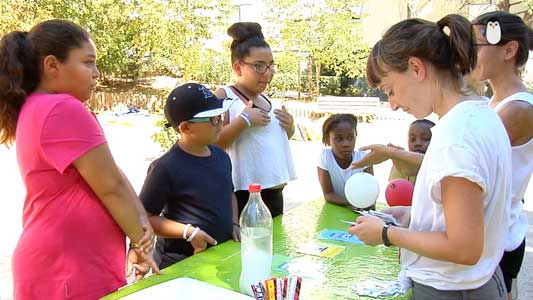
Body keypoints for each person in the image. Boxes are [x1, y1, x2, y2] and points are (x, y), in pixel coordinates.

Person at [348, 14, 511, 299]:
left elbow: (464, 247)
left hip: (452, 290)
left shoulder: (455, 139)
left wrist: (387, 234)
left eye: (391, 90)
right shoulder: (480, 114)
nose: (394, 104)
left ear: (416, 68)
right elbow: (470, 215)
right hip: (476, 282)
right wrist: (414, 217)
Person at [0, 20, 159, 299]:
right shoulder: (61, 108)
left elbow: (115, 176)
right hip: (67, 267)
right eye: (88, 63)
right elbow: (111, 186)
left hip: (67, 262)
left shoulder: (45, 107)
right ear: (52, 65)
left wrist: (141, 232)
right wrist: (142, 242)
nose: (96, 73)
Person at [140, 83, 241, 269]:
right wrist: (188, 232)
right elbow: (144, 218)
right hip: (180, 261)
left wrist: (234, 223)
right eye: (213, 119)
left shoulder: (221, 156)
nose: (220, 123)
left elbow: (229, 192)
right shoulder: (164, 167)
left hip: (219, 256)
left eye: (220, 116)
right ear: (185, 128)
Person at [472, 11, 533, 299]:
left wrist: (391, 154)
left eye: (476, 46)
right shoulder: (491, 103)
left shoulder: (517, 109)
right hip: (489, 234)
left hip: (499, 240)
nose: (469, 56)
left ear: (509, 50)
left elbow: (464, 166)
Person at [213, 22, 297, 217]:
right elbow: (212, 144)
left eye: (270, 66)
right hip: (244, 196)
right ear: (238, 67)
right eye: (258, 66)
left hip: (275, 191)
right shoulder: (225, 96)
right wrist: (243, 120)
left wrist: (290, 127)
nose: (267, 73)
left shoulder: (267, 99)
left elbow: (270, 140)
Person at [317, 113, 374, 207]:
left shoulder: (365, 159)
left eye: (350, 138)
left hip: (360, 211)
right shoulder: (326, 157)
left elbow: (369, 195)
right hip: (335, 210)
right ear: (327, 140)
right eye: (339, 139)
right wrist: (353, 203)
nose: (346, 144)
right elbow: (328, 194)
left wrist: (367, 204)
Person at [388, 119, 435, 183]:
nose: (418, 143)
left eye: (425, 139)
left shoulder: (440, 164)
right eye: (413, 139)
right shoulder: (400, 164)